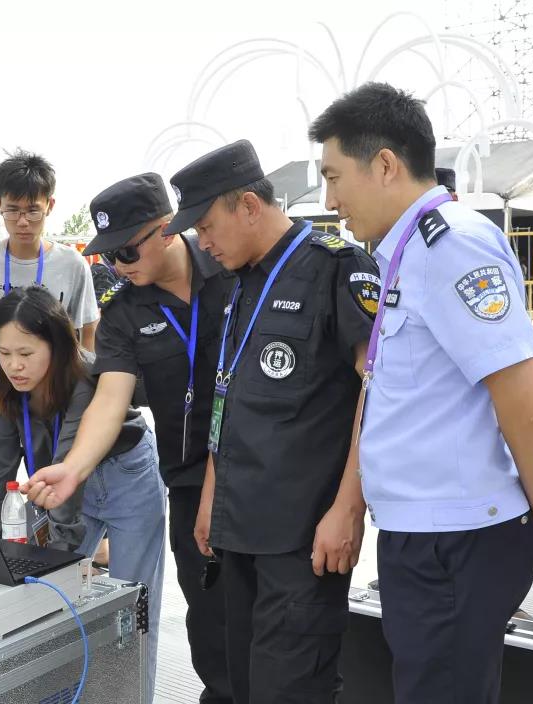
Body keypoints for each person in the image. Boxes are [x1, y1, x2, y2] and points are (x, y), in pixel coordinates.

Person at [308, 82, 533, 702]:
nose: (330, 200)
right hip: (430, 536)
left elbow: (528, 403)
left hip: (454, 543)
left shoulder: (452, 247)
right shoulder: (407, 251)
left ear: (384, 165)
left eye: (334, 177)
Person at [172, 140, 380, 703]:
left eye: (207, 226)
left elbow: (379, 392)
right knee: (242, 686)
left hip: (302, 539)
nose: (202, 243)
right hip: (238, 530)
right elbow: (230, 393)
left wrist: (349, 508)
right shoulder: (239, 280)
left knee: (290, 689)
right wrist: (211, 494)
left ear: (247, 206)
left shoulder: (335, 267)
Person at [23, 173, 235, 704]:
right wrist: (73, 468)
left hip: (261, 474)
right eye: (108, 255)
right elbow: (110, 399)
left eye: (126, 250)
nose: (118, 265)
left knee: (277, 625)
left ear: (166, 229)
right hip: (189, 481)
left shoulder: (233, 269)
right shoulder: (123, 312)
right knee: (212, 629)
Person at [0, 285, 165, 702]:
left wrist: (56, 557)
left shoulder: (87, 377)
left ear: (57, 346)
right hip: (63, 483)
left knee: (132, 607)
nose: (14, 365)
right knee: (51, 602)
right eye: (5, 353)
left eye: (26, 353)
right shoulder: (0, 383)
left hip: (124, 476)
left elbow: (68, 467)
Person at [0, 150, 99, 498]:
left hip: (54, 412)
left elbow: (87, 336)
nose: (23, 221)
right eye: (13, 210)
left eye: (32, 210)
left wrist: (81, 397)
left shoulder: (71, 264)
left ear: (49, 206)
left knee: (57, 500)